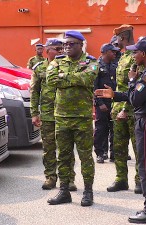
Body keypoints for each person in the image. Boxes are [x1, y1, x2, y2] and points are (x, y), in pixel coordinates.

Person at [95, 38, 146, 224]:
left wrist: (132, 80)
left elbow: (135, 99)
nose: (133, 55)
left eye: (135, 52)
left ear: (143, 54)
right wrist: (115, 95)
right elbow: (135, 95)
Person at [46, 31, 98, 207]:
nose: (67, 47)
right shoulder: (58, 61)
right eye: (65, 44)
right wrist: (75, 78)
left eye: (71, 44)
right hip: (61, 117)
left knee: (85, 157)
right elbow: (51, 79)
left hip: (82, 118)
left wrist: (64, 77)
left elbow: (88, 78)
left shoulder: (91, 62)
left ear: (80, 45)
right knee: (63, 157)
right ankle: (64, 191)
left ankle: (88, 192)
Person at [30, 38, 77, 191]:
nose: (61, 51)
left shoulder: (67, 66)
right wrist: (34, 113)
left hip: (64, 114)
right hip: (48, 115)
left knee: (66, 148)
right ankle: (50, 177)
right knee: (49, 149)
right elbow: (34, 92)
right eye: (57, 49)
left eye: (62, 48)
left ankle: (69, 179)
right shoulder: (39, 68)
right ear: (47, 50)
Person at [106, 24, 142, 194]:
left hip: (131, 111)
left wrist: (126, 109)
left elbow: (134, 87)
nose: (116, 41)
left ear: (124, 38)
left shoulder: (135, 57)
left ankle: (139, 181)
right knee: (119, 148)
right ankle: (121, 179)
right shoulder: (122, 57)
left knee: (137, 148)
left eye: (118, 38)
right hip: (117, 109)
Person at [94, 43, 119, 163]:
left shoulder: (115, 66)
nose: (114, 53)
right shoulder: (96, 66)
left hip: (113, 102)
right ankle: (100, 152)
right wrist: (99, 103)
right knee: (101, 129)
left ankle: (113, 152)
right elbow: (93, 87)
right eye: (112, 51)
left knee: (114, 128)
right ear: (105, 52)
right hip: (102, 103)